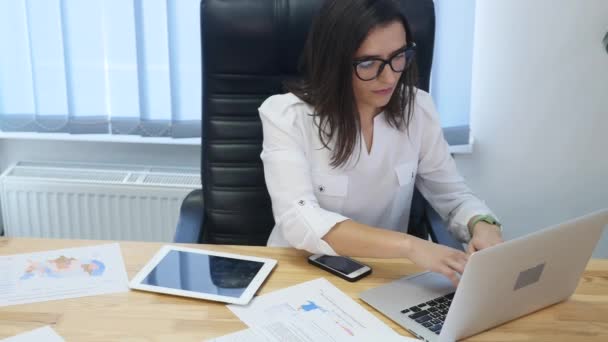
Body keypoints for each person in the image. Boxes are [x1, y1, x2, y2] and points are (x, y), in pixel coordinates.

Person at [259, 0, 502, 286]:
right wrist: (410, 246)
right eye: (368, 63)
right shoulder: (286, 116)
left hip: (380, 278)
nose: (389, 77)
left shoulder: (418, 110)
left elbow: (453, 196)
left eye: (399, 56)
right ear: (334, 62)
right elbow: (299, 219)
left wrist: (481, 223)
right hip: (298, 274)